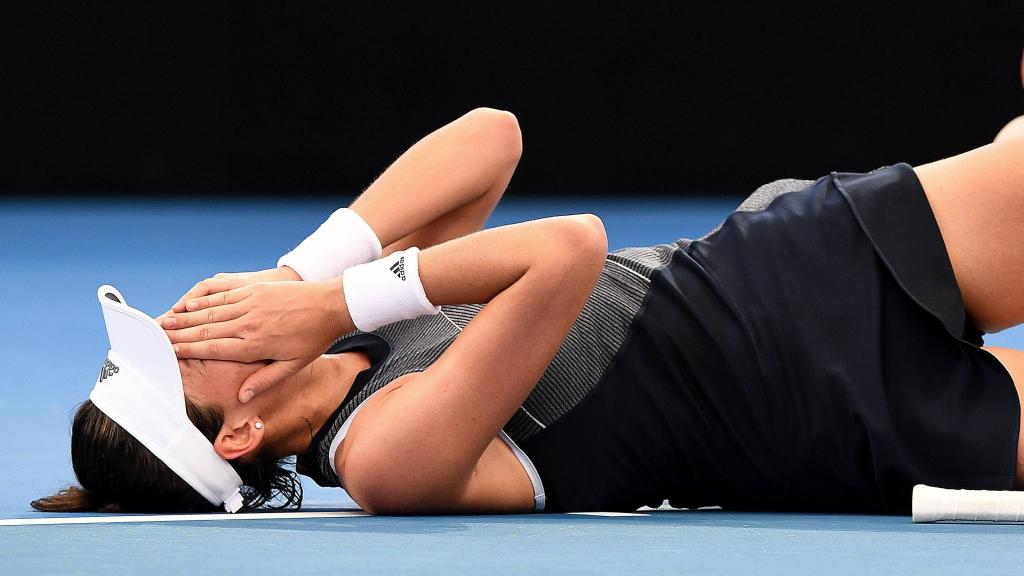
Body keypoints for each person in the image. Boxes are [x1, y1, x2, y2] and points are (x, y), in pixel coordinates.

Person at [33, 104, 1024, 515]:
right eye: (176, 357)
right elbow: (566, 248)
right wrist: (336, 297)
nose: (179, 319)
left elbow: (490, 138)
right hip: (839, 427)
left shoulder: (356, 324)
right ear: (242, 429)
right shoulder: (384, 457)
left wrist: (302, 279)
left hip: (805, 268)